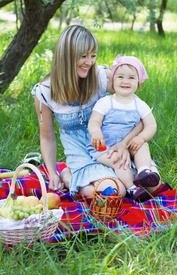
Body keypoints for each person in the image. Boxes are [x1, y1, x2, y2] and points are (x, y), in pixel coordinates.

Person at [32, 25, 160, 199]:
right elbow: (47, 137)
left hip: (110, 144)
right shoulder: (45, 92)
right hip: (79, 151)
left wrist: (124, 143)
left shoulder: (101, 77)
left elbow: (136, 113)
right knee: (115, 192)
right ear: (67, 57)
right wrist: (52, 172)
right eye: (83, 56)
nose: (90, 62)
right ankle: (69, 177)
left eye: (93, 56)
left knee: (152, 186)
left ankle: (109, 177)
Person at [87, 55, 161, 200]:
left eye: (131, 78)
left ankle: (144, 172)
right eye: (120, 76)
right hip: (105, 147)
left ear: (139, 83)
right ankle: (132, 189)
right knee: (118, 160)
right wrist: (96, 132)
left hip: (129, 145)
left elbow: (151, 124)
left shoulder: (139, 104)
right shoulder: (106, 102)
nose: (125, 81)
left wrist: (141, 137)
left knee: (143, 146)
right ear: (113, 80)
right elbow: (94, 121)